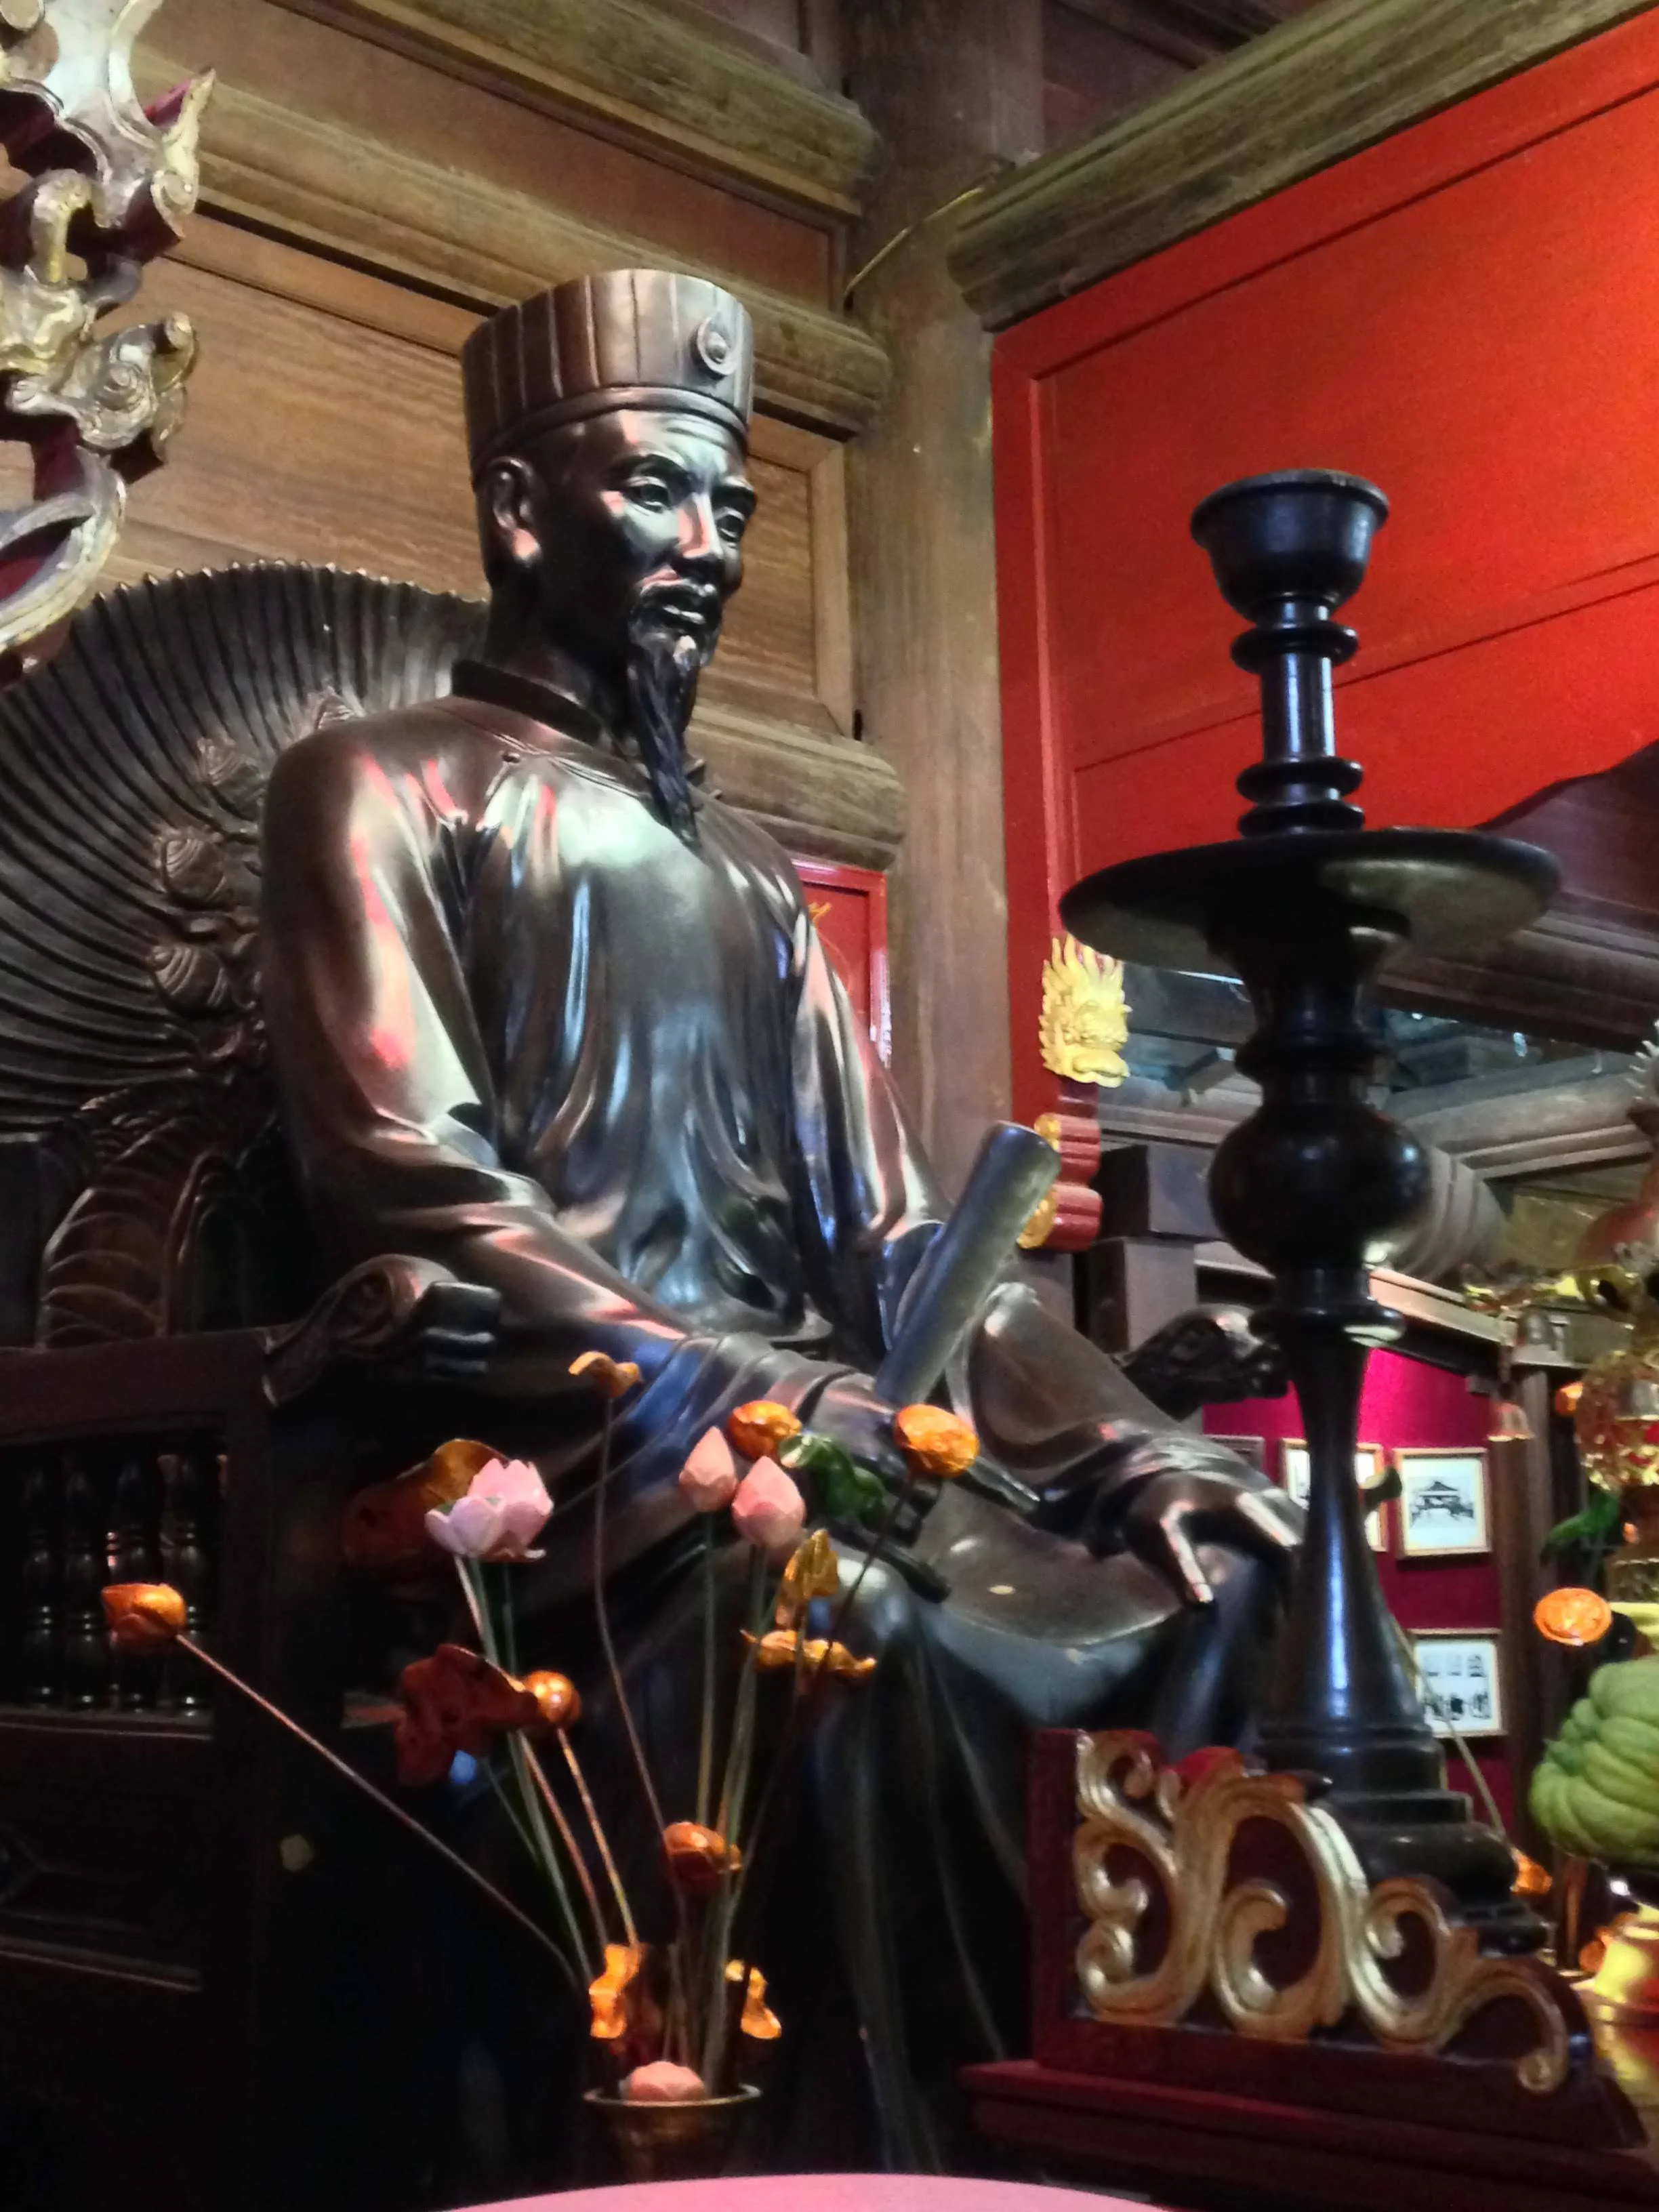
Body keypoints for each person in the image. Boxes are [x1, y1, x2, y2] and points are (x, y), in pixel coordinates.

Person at [259, 267, 1298, 2170]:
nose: (709, 547)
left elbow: (910, 1246)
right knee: (874, 1636)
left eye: (733, 508)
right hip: (592, 1460)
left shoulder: (745, 879)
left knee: (1220, 1566)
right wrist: (733, 1394)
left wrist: (1133, 1443)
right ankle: (894, 2162)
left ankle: (1143, 2151)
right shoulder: (381, 790)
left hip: (816, 1438)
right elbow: (411, 1184)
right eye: (662, 493)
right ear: (520, 512)